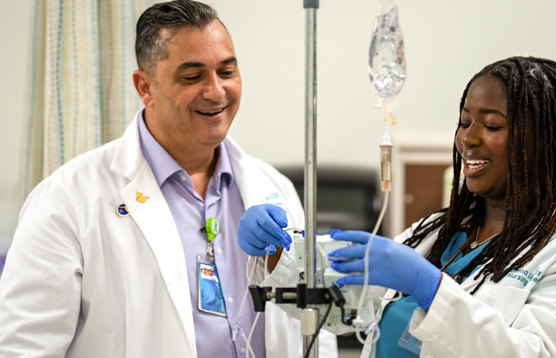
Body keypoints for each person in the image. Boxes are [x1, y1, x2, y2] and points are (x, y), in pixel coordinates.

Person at [0, 1, 336, 357]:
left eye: (226, 71)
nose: (216, 91)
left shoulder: (274, 188)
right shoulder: (67, 201)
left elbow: (318, 327)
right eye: (192, 76)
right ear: (145, 87)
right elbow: (24, 349)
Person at [326, 57, 556, 357]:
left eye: (491, 125)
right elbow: (350, 305)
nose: (467, 138)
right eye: (465, 122)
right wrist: (286, 257)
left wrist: (433, 290)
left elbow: (536, 353)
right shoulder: (438, 232)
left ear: (546, 142)